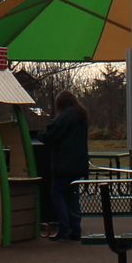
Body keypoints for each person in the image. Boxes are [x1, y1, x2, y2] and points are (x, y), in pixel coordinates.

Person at [41, 92, 90, 240]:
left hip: (63, 164)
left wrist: (41, 135)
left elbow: (51, 135)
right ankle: (76, 229)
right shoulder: (81, 115)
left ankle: (64, 228)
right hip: (78, 163)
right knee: (72, 196)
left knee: (57, 194)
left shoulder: (65, 117)